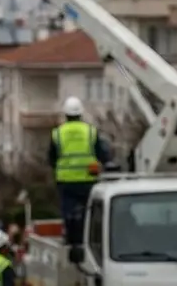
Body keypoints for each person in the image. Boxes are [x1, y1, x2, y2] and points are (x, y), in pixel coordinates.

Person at [48, 96, 111, 247]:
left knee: (69, 213)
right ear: (81, 113)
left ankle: (72, 240)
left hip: (66, 181)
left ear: (66, 114)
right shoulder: (90, 131)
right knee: (90, 211)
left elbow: (51, 158)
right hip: (88, 180)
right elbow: (102, 155)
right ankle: (90, 239)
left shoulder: (58, 133)